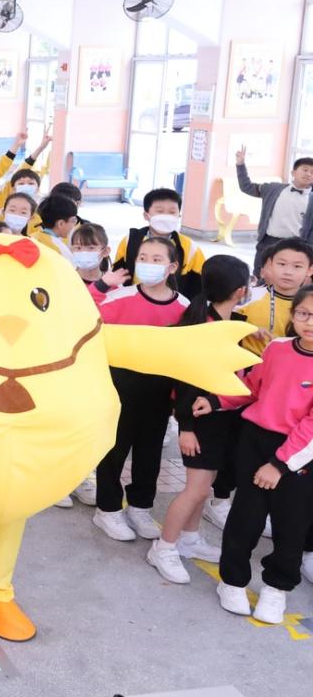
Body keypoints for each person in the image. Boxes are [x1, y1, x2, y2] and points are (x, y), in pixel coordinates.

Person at [146, 255, 251, 585]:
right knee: (195, 490)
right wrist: (186, 428)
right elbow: (185, 384)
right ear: (241, 290)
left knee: (203, 489)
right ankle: (164, 547)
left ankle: (189, 539)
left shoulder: (228, 323)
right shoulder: (205, 327)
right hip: (200, 422)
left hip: (222, 420)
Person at [213, 284, 313, 625]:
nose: (309, 322)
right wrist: (216, 400)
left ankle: (276, 588)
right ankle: (232, 581)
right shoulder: (277, 349)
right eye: (304, 313)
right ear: (293, 315)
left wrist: (280, 464)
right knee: (246, 516)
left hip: (298, 454)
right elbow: (252, 388)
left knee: (291, 524)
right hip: (255, 442)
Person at [92, 237, 188, 542]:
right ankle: (107, 509)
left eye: (157, 259)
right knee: (114, 450)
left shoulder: (184, 307)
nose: (148, 263)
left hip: (160, 391)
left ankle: (140, 507)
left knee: (150, 453)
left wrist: (177, 399)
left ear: (172, 267)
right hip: (120, 386)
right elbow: (82, 313)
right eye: (143, 257)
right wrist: (102, 286)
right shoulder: (119, 297)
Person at [235, 145, 313, 277]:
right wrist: (240, 165)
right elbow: (246, 187)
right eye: (305, 170)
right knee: (260, 275)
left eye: (312, 172)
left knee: (287, 278)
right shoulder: (273, 189)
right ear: (293, 173)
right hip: (268, 241)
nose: (308, 174)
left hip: (295, 245)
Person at [113, 188, 205, 299]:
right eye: (160, 211)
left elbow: (199, 284)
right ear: (146, 215)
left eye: (172, 212)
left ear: (179, 216)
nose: (166, 217)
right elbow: (117, 272)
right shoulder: (130, 240)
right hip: (133, 299)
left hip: (172, 304)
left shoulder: (189, 247)